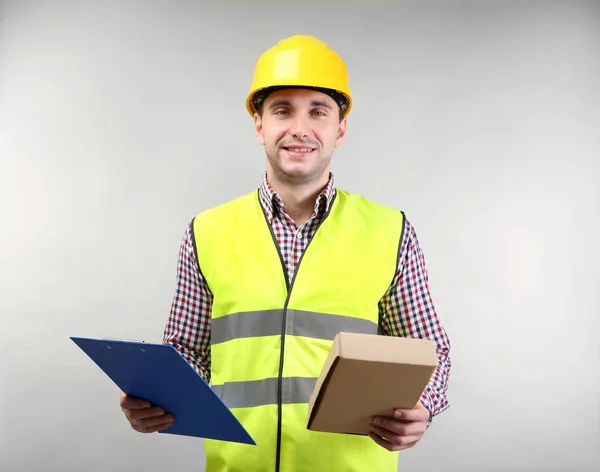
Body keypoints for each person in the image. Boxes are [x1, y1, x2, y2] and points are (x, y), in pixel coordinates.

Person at [119, 35, 451, 472]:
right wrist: (156, 399)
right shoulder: (206, 231)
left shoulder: (392, 232)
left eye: (318, 111)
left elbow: (431, 353)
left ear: (340, 129)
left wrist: (422, 408)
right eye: (281, 110)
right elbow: (189, 353)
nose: (299, 128)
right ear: (259, 126)